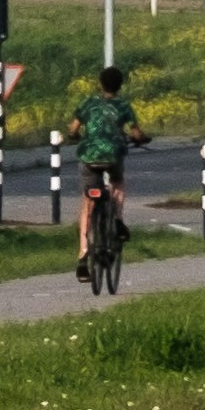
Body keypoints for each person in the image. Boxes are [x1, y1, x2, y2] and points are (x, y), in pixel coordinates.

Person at [69, 64, 136, 296]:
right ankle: (117, 221)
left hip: (88, 157)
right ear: (120, 85)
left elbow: (73, 129)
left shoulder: (88, 104)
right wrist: (141, 138)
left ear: (100, 84)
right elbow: (136, 133)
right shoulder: (123, 106)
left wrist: (74, 136)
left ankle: (83, 255)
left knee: (88, 202)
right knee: (117, 181)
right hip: (114, 155)